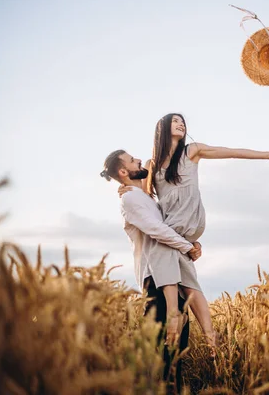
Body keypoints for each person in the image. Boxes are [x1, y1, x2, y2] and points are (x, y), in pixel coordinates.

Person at [119, 112, 269, 352]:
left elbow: (229, 151)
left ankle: (175, 319)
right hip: (172, 227)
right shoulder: (151, 165)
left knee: (177, 273)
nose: (181, 124)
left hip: (187, 224)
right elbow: (148, 201)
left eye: (183, 122)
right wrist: (125, 189)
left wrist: (266, 155)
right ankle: (211, 339)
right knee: (189, 283)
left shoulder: (192, 151)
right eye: (175, 121)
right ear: (162, 128)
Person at [100, 149, 200, 392]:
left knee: (176, 355)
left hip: (170, 277)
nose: (138, 160)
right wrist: (187, 246)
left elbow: (150, 164)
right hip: (155, 282)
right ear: (124, 172)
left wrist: (191, 242)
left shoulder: (144, 197)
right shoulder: (130, 199)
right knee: (161, 355)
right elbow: (156, 229)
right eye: (132, 160)